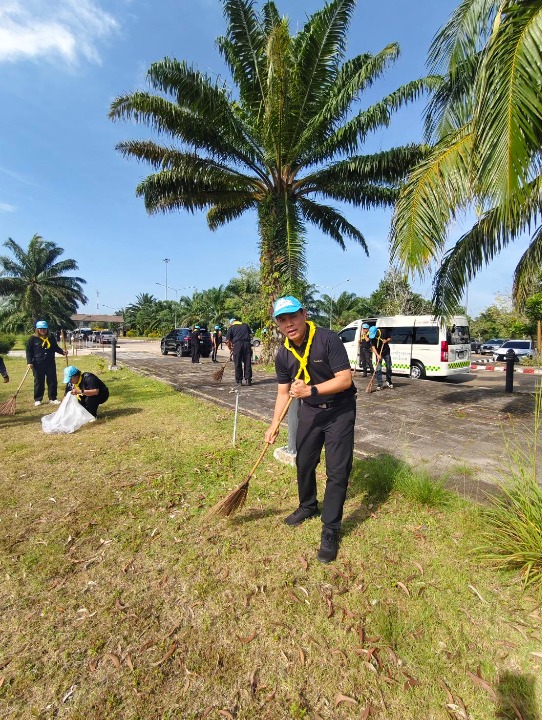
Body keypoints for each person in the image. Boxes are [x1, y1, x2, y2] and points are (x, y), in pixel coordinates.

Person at [265, 296, 357, 564]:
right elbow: (283, 393)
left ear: (304, 314)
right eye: (282, 320)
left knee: (337, 471)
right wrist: (274, 425)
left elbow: (345, 379)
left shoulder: (328, 339)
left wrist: (310, 390)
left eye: (293, 316)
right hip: (311, 411)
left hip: (339, 410)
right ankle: (307, 505)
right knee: (304, 461)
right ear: (278, 324)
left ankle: (330, 528)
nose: (289, 324)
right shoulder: (283, 354)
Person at [26, 320, 68, 406]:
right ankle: (38, 399)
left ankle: (53, 398)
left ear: (47, 329)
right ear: (37, 329)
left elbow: (55, 347)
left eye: (44, 328)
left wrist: (62, 352)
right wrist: (29, 362)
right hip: (38, 363)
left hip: (50, 362)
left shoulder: (51, 337)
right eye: (40, 329)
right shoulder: (32, 338)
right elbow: (28, 351)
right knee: (39, 381)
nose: (43, 330)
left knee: (52, 381)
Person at [226, 317, 252, 386]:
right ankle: (248, 379)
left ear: (232, 323)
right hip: (247, 344)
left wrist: (230, 348)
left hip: (237, 345)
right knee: (247, 362)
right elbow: (250, 334)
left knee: (237, 362)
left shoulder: (231, 328)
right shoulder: (245, 325)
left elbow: (227, 341)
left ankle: (239, 380)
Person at [370, 326, 393, 390]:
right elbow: (373, 347)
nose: (373, 336)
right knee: (378, 368)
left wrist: (386, 340)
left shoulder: (383, 332)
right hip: (378, 353)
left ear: (376, 331)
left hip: (386, 352)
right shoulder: (371, 336)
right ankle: (380, 383)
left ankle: (388, 380)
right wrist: (377, 355)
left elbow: (390, 338)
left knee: (389, 367)